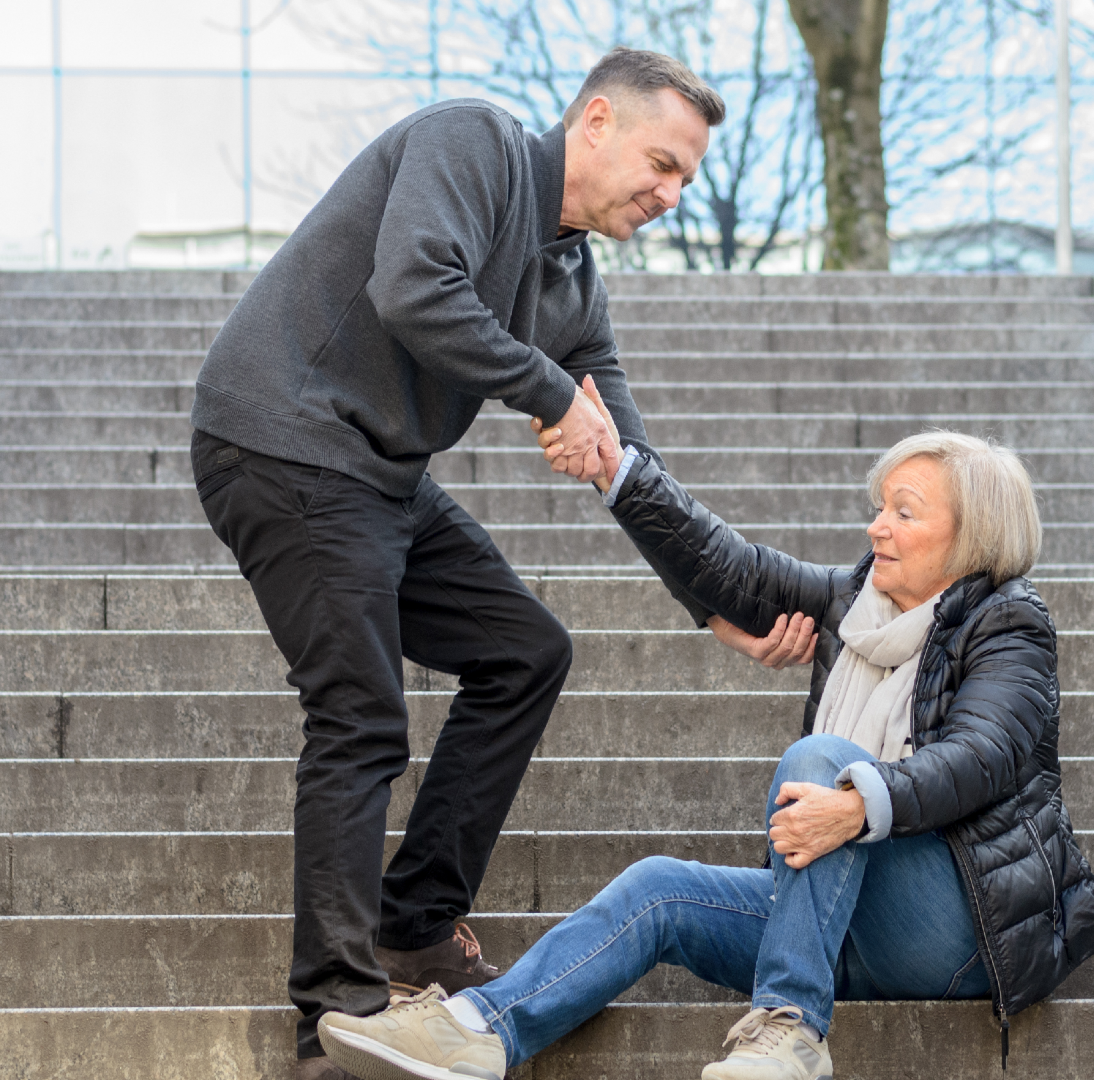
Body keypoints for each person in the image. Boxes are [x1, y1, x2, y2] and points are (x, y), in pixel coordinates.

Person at [188, 50, 729, 1078]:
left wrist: (719, 603)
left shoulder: (570, 277)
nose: (670, 193)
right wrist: (551, 393)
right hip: (281, 441)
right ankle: (332, 1016)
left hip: (379, 474)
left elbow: (630, 457)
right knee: (360, 712)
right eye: (661, 163)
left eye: (687, 179)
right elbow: (415, 287)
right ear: (598, 121)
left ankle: (414, 923)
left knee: (525, 651)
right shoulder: (471, 142)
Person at [316, 406, 1094, 1080]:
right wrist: (616, 471)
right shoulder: (856, 608)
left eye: (904, 512)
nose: (877, 525)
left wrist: (856, 804)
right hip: (842, 923)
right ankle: (477, 1032)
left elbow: (983, 757)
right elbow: (727, 564)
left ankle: (789, 1029)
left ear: (971, 536)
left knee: (821, 763)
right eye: (880, 505)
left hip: (961, 930)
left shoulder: (1009, 623)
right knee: (660, 889)